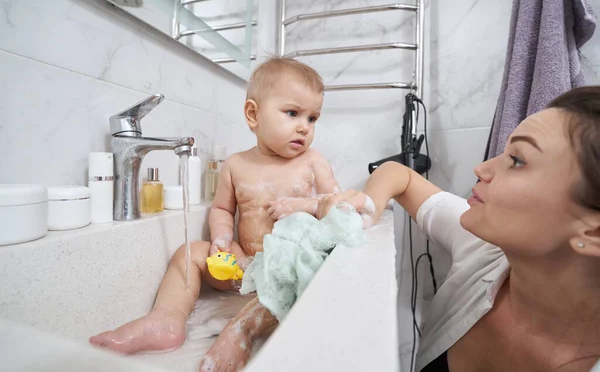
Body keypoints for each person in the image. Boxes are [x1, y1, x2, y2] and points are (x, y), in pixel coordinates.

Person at [317, 86, 600, 372]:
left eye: (517, 160)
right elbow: (397, 174)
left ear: (593, 233)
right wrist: (367, 205)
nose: (481, 169)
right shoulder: (485, 249)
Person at [90, 56, 344, 371]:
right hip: (246, 265)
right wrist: (222, 240)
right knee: (189, 252)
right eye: (293, 113)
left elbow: (336, 205)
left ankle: (243, 333)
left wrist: (302, 205)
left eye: (312, 118)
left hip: (288, 270)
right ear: (253, 114)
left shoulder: (312, 161)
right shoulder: (236, 164)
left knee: (298, 279)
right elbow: (223, 209)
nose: (304, 127)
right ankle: (166, 319)